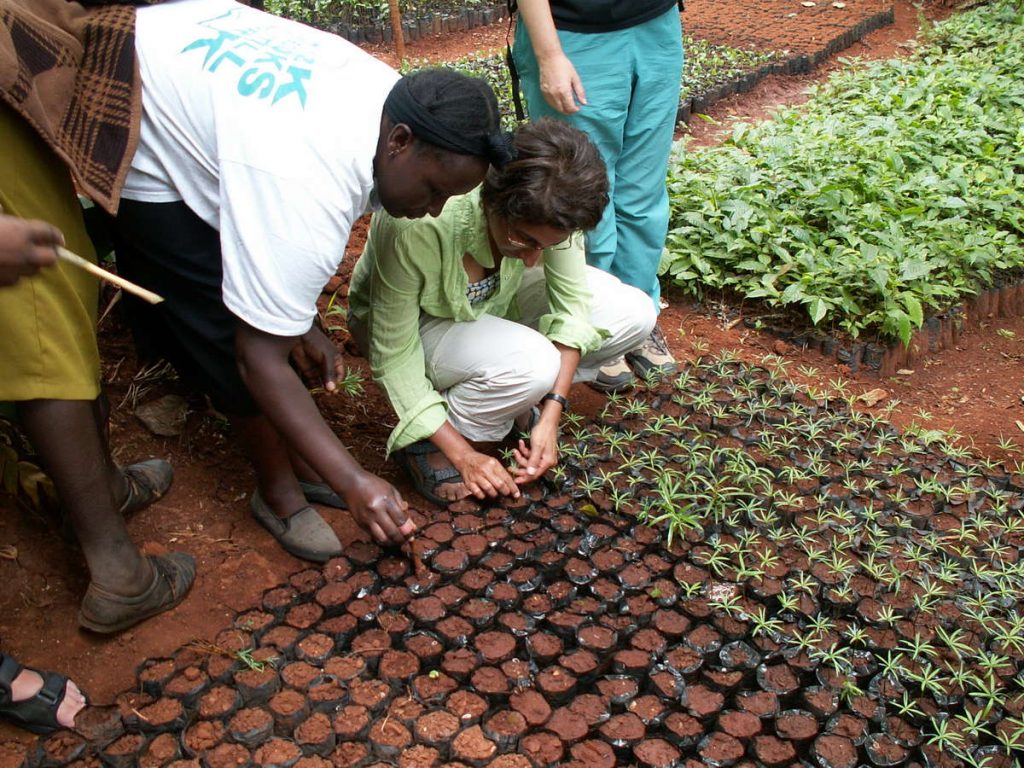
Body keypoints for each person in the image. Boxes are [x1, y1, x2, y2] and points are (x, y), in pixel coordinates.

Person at [108, 0, 512, 562]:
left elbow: (270, 238)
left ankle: (305, 461)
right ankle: (277, 491)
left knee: (272, 316)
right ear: (398, 142)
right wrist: (352, 479)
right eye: (432, 191)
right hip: (136, 98)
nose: (435, 209)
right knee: (219, 325)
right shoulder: (308, 185)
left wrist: (300, 321)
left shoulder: (407, 111)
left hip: (203, 83)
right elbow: (257, 357)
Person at [348, 118, 656, 505]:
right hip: (408, 322)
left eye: (546, 246)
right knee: (531, 363)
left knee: (632, 313)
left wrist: (551, 414)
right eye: (522, 239)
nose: (532, 259)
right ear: (492, 201)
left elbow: (573, 310)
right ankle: (435, 443)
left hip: (491, 305)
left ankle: (515, 396)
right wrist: (464, 455)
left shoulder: (554, 208)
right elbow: (394, 355)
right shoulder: (425, 219)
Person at [512, 0, 684, 392]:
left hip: (655, 24)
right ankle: (594, 327)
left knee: (644, 192)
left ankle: (640, 319)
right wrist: (550, 53)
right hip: (575, 34)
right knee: (582, 194)